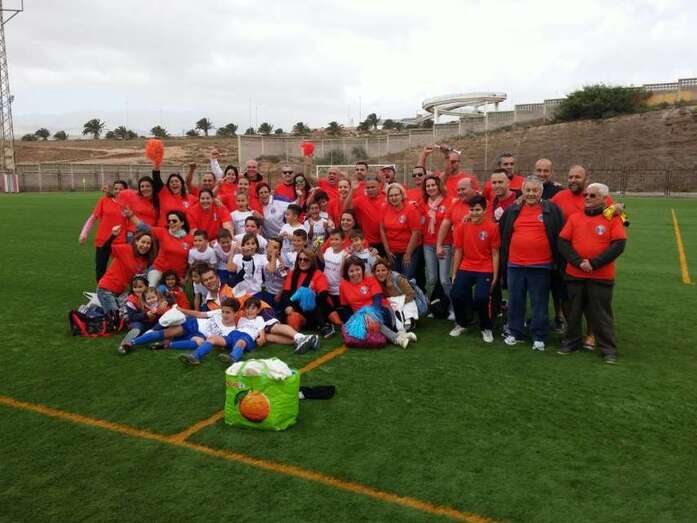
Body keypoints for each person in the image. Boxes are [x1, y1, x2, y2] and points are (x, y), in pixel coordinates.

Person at [557, 183, 627, 364]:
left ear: (604, 199)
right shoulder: (575, 218)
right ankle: (571, 342)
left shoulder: (613, 218)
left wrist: (594, 263)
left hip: (601, 276)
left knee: (601, 314)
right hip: (575, 274)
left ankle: (608, 349)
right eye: (586, 195)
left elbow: (618, 245)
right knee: (573, 312)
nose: (587, 198)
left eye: (592, 195)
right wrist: (579, 262)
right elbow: (563, 242)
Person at [499, 176, 564, 351]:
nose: (531, 194)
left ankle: (539, 336)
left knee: (539, 302)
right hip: (515, 265)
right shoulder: (512, 210)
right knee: (516, 301)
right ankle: (515, 333)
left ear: (541, 192)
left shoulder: (551, 210)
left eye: (535, 190)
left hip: (541, 266)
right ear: (523, 191)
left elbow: (560, 233)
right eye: (528, 190)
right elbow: (503, 232)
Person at [449, 195, 500, 343]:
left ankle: (486, 328)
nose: (474, 213)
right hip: (466, 266)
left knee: (481, 298)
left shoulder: (492, 227)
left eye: (478, 210)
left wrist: (495, 275)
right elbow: (458, 251)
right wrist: (454, 272)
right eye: (471, 210)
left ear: (484, 210)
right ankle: (461, 323)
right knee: (456, 294)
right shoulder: (462, 227)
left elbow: (495, 253)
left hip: (485, 268)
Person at [338, 256, 415, 348]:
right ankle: (401, 335)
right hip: (360, 317)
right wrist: (351, 322)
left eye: (358, 269)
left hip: (381, 310)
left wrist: (371, 314)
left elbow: (377, 300)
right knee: (363, 325)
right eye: (351, 271)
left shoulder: (370, 279)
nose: (355, 273)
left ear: (362, 269)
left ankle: (396, 339)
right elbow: (345, 308)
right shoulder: (343, 285)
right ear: (347, 272)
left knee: (369, 318)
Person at [96, 225, 157, 324]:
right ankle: (90, 311)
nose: (145, 245)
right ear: (136, 241)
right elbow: (104, 250)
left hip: (121, 293)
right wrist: (112, 236)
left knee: (128, 315)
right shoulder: (126, 249)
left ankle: (101, 309)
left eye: (148, 243)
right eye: (143, 242)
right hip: (106, 290)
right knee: (116, 321)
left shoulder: (145, 260)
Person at [125, 208, 193, 287]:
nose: (171, 223)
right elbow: (144, 227)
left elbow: (192, 261)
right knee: (151, 289)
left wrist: (186, 278)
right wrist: (131, 216)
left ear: (182, 223)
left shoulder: (190, 239)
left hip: (176, 277)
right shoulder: (163, 232)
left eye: (174, 221)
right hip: (158, 270)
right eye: (169, 221)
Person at [79, 180, 129, 281]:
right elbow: (93, 218)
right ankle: (100, 288)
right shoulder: (104, 201)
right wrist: (84, 234)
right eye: (116, 189)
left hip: (120, 242)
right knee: (100, 268)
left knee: (120, 269)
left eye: (121, 189)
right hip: (103, 240)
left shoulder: (128, 205)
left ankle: (117, 288)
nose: (118, 191)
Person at [282, 248, 338, 338]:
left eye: (306, 259)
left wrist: (309, 300)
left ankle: (323, 325)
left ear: (312, 261)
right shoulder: (292, 274)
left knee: (309, 296)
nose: (302, 262)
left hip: (314, 308)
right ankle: (316, 325)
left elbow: (323, 294)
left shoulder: (318, 273)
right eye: (300, 259)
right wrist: (287, 306)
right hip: (295, 307)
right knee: (292, 319)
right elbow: (286, 293)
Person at [420, 175, 453, 302]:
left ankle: (452, 306)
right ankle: (430, 304)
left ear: (438, 186)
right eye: (427, 186)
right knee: (432, 279)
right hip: (428, 244)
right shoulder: (423, 203)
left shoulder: (448, 201)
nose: (430, 188)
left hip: (445, 244)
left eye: (433, 185)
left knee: (444, 279)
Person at [380, 183, 422, 279]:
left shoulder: (411, 209)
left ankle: (413, 289)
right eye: (391, 195)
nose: (394, 198)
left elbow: (416, 233)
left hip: (409, 249)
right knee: (395, 277)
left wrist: (408, 254)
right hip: (393, 251)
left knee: (406, 277)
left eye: (396, 195)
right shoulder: (384, 207)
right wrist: (387, 250)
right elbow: (382, 229)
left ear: (402, 195)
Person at [435, 177, 479, 258]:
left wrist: (473, 216)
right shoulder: (455, 204)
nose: (460, 192)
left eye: (463, 189)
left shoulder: (484, 204)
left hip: (477, 251)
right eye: (458, 190)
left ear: (473, 188)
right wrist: (439, 245)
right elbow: (445, 224)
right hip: (458, 250)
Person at [373, 258, 419, 331]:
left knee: (407, 303)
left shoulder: (397, 278)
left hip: (406, 301)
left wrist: (398, 302)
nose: (380, 273)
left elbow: (411, 294)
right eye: (378, 271)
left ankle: (410, 320)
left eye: (383, 270)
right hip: (391, 304)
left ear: (388, 271)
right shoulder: (375, 281)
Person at [345, 175, 386, 251]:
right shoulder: (360, 200)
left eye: (373, 187)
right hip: (369, 242)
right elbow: (346, 208)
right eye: (368, 188)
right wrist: (352, 190)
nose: (370, 190)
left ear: (379, 187)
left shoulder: (386, 198)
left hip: (386, 241)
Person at [227, 233, 267, 297]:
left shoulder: (261, 257)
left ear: (257, 245)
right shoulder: (237, 257)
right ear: (243, 245)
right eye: (247, 244)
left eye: (253, 243)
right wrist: (232, 251)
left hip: (256, 292)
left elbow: (271, 269)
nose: (250, 246)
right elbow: (230, 269)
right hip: (240, 293)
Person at [319, 229, 347, 308]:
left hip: (338, 290)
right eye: (331, 239)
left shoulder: (345, 255)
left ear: (343, 241)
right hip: (326, 287)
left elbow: (343, 274)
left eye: (336, 239)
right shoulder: (328, 250)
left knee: (338, 309)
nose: (334, 242)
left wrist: (344, 261)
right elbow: (323, 261)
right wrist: (318, 250)